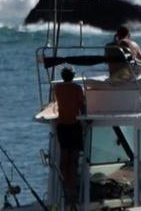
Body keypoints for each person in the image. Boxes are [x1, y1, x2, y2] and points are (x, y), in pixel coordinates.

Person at [54, 67, 86, 207]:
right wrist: (87, 117)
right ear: (73, 76)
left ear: (62, 76)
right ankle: (72, 190)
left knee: (64, 159)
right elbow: (81, 106)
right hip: (74, 125)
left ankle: (65, 187)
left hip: (62, 126)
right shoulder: (77, 89)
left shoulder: (57, 88)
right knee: (73, 160)